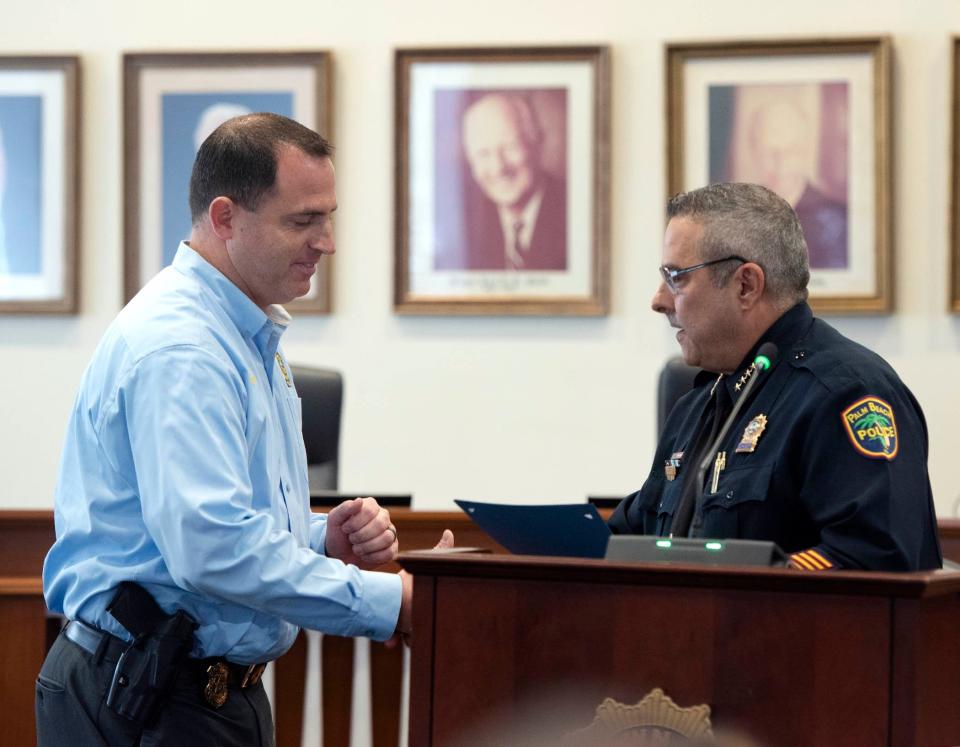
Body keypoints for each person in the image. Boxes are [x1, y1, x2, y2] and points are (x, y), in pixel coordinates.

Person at [37, 112, 452, 746]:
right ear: (226, 217)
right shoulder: (183, 348)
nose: (328, 241)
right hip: (144, 698)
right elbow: (212, 548)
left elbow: (203, 531)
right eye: (303, 220)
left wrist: (316, 538)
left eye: (329, 216)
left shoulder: (241, 332)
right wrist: (390, 601)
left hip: (189, 691)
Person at [609, 183, 941, 572]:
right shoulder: (699, 405)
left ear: (746, 285)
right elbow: (633, 533)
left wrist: (750, 586)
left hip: (791, 630)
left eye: (676, 277)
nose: (659, 300)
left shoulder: (845, 392)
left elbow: (874, 556)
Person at [435, 92, 566, 271]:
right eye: (483, 154)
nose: (499, 168)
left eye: (510, 147)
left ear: (536, 142)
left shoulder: (574, 213)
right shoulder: (463, 228)